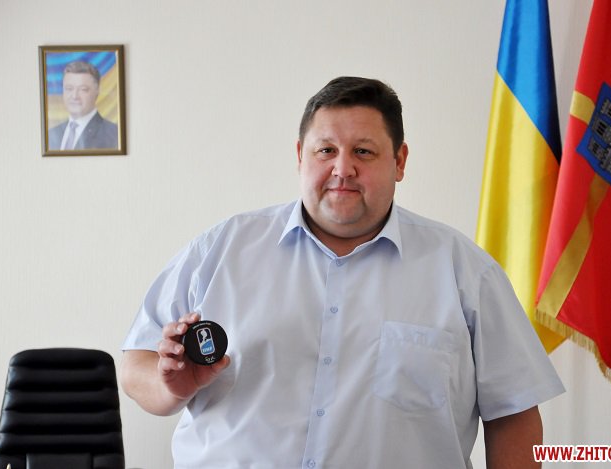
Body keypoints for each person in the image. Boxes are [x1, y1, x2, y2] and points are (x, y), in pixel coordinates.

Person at [121, 76, 564, 468]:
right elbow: (135, 363)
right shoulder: (221, 249)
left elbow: (514, 414)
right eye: (326, 150)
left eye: (363, 152)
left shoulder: (465, 271)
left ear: (400, 161)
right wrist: (170, 387)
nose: (342, 169)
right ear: (301, 156)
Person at [48, 61, 119, 151]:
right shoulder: (51, 134)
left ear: (97, 91)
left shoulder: (114, 135)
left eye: (83, 89)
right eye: (69, 89)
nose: (74, 96)